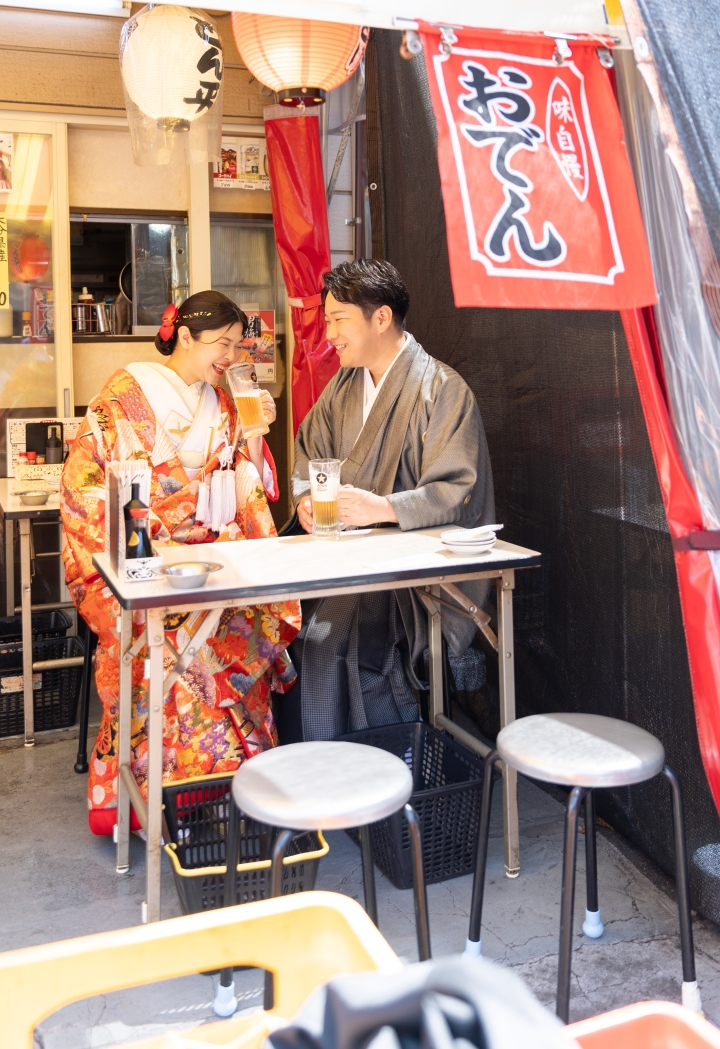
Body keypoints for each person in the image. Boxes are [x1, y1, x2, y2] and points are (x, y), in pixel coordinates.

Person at [61, 291, 300, 835]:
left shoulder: (226, 402)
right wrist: (153, 546)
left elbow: (247, 490)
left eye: (238, 346)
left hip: (216, 565)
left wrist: (255, 452)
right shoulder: (119, 402)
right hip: (148, 564)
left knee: (238, 617)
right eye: (223, 344)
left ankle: (236, 792)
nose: (231, 356)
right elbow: (87, 493)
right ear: (185, 336)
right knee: (157, 641)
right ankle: (162, 801)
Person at [286, 260, 495, 740]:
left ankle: (365, 773)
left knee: (326, 642)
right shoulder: (343, 386)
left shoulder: (443, 390)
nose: (329, 333)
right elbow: (308, 454)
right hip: (340, 560)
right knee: (278, 628)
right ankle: (317, 773)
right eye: (327, 319)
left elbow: (457, 490)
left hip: (408, 576)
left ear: (380, 318)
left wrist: (383, 509)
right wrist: (303, 498)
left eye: (338, 319)